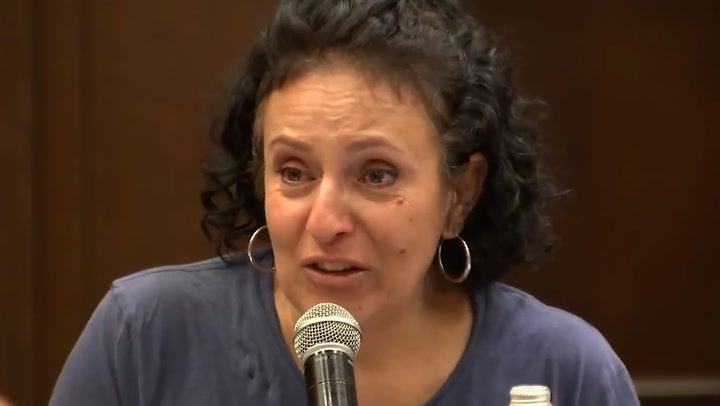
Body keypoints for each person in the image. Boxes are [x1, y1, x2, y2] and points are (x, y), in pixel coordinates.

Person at [50, 0, 640, 405]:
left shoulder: (566, 371)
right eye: (294, 172)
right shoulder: (145, 335)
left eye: (377, 175)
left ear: (460, 191)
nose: (326, 221)